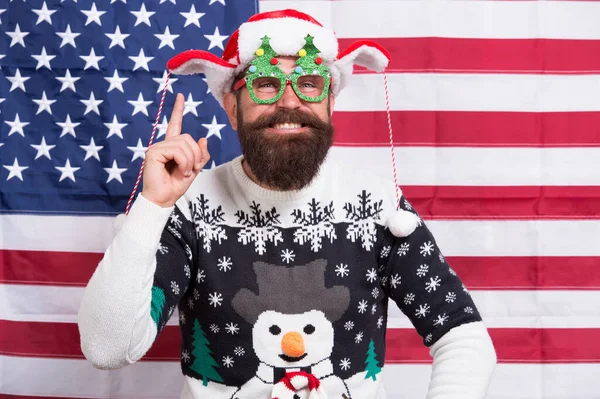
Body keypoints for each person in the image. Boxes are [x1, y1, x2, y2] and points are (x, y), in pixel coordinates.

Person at [78, 8, 497, 399]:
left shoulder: (376, 204)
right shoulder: (189, 205)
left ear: (330, 102)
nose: (291, 101)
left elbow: (462, 336)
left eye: (310, 82)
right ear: (231, 108)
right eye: (265, 83)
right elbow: (107, 349)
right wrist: (153, 205)